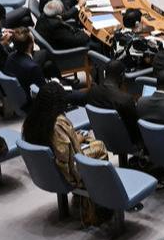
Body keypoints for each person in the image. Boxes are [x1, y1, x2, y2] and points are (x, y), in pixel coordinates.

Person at [21, 82, 110, 225]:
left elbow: (57, 145)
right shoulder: (58, 124)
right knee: (99, 146)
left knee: (84, 138)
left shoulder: (32, 120)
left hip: (47, 171)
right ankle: (95, 203)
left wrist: (75, 138)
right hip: (65, 172)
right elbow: (67, 160)